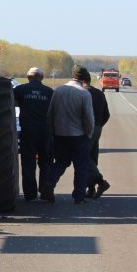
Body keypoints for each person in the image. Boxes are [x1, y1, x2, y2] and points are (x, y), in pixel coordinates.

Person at [40, 65, 95, 204]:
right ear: (83, 78)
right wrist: (89, 133)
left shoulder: (58, 90)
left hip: (60, 134)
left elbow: (50, 113)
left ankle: (49, 184)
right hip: (79, 135)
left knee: (60, 162)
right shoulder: (84, 93)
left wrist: (52, 131)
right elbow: (88, 118)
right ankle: (79, 196)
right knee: (81, 166)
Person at [13, 67, 53, 201]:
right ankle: (45, 190)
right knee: (45, 162)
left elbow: (10, 103)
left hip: (28, 131)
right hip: (45, 131)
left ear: (28, 77)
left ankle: (30, 194)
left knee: (28, 162)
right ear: (41, 78)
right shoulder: (49, 91)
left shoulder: (19, 90)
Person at [79, 69, 111, 198]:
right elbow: (107, 114)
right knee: (92, 157)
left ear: (81, 81)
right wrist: (99, 126)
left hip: (86, 129)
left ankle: (100, 181)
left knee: (83, 156)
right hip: (97, 128)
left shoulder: (81, 93)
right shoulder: (99, 93)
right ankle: (91, 189)